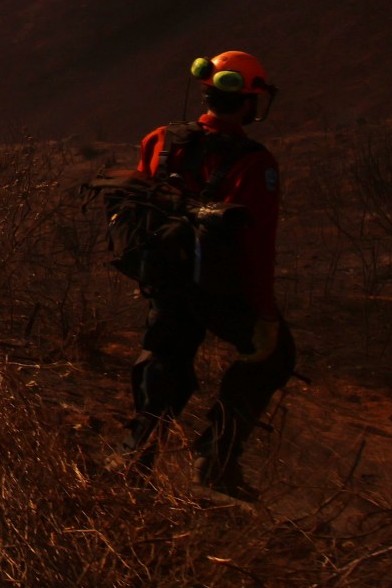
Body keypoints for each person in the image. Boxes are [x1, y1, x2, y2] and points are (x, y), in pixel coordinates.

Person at [122, 50, 297, 497]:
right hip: (218, 287)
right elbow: (256, 247)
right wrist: (265, 316)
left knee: (165, 357)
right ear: (250, 102)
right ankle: (216, 458)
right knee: (273, 357)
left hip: (164, 277)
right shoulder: (256, 164)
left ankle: (135, 456)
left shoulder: (159, 140)